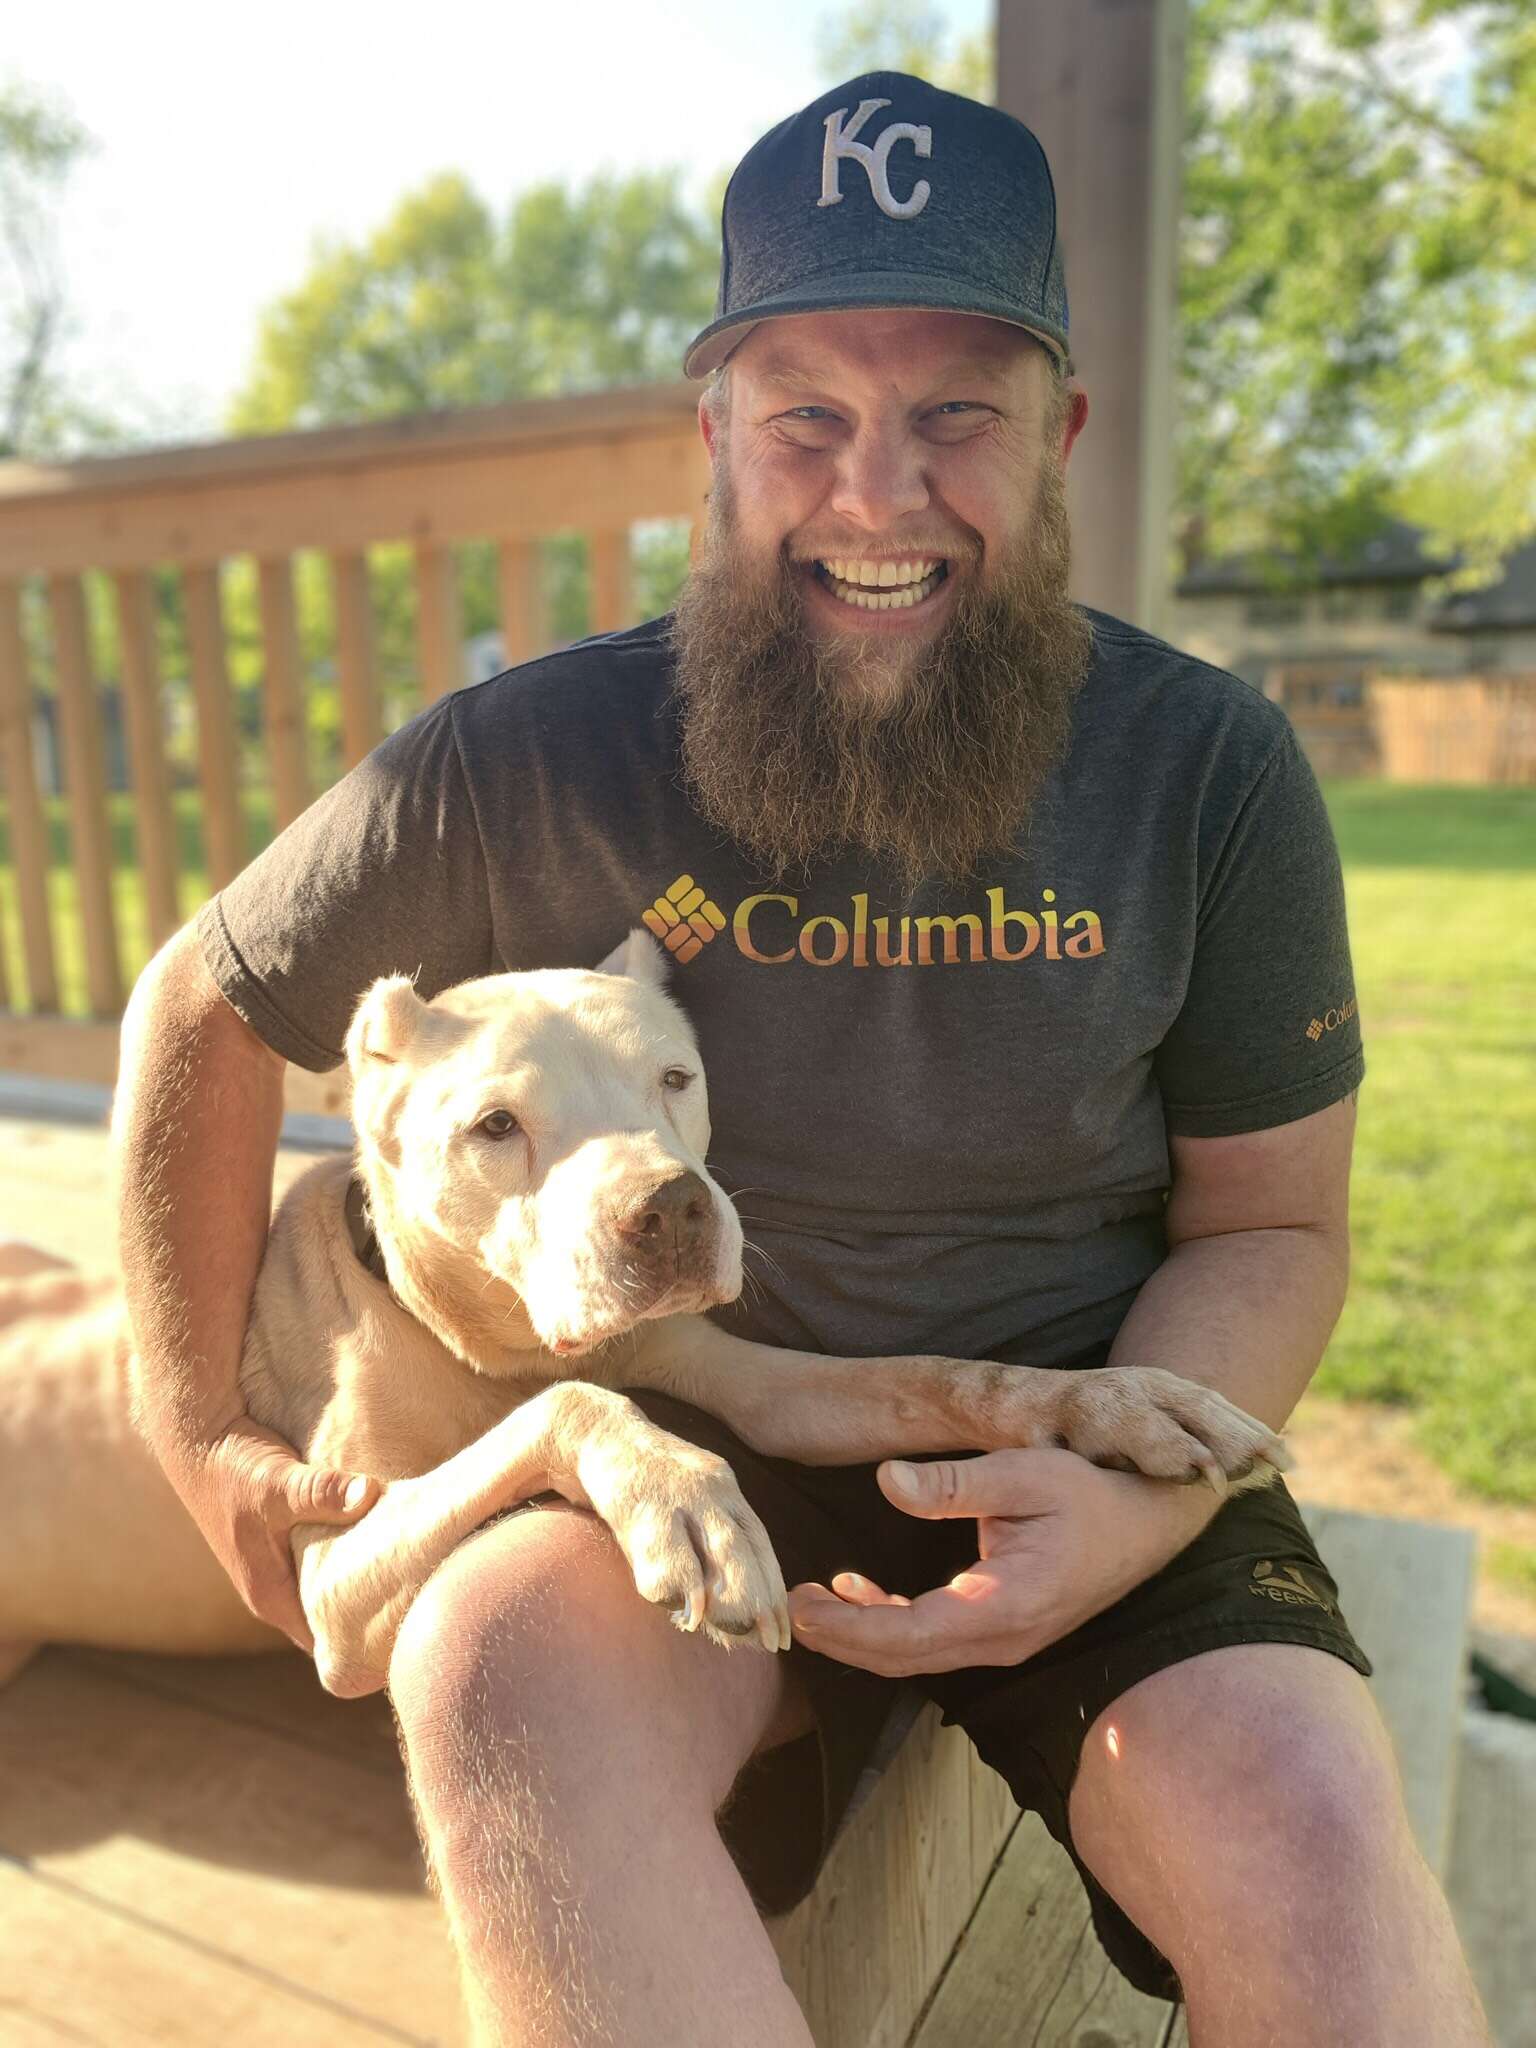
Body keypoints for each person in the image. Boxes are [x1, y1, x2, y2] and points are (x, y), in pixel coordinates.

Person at [117, 70, 1490, 2048]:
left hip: (1089, 1426)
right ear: (716, 439)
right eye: (808, 420)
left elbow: (1275, 1219)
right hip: (685, 1438)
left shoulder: (1210, 770)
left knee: (1311, 1834)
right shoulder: (523, 761)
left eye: (956, 415)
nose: (877, 495)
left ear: (1062, 436)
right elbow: (203, 1004)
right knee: (489, 1664)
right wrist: (199, 1439)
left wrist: (1132, 1496)